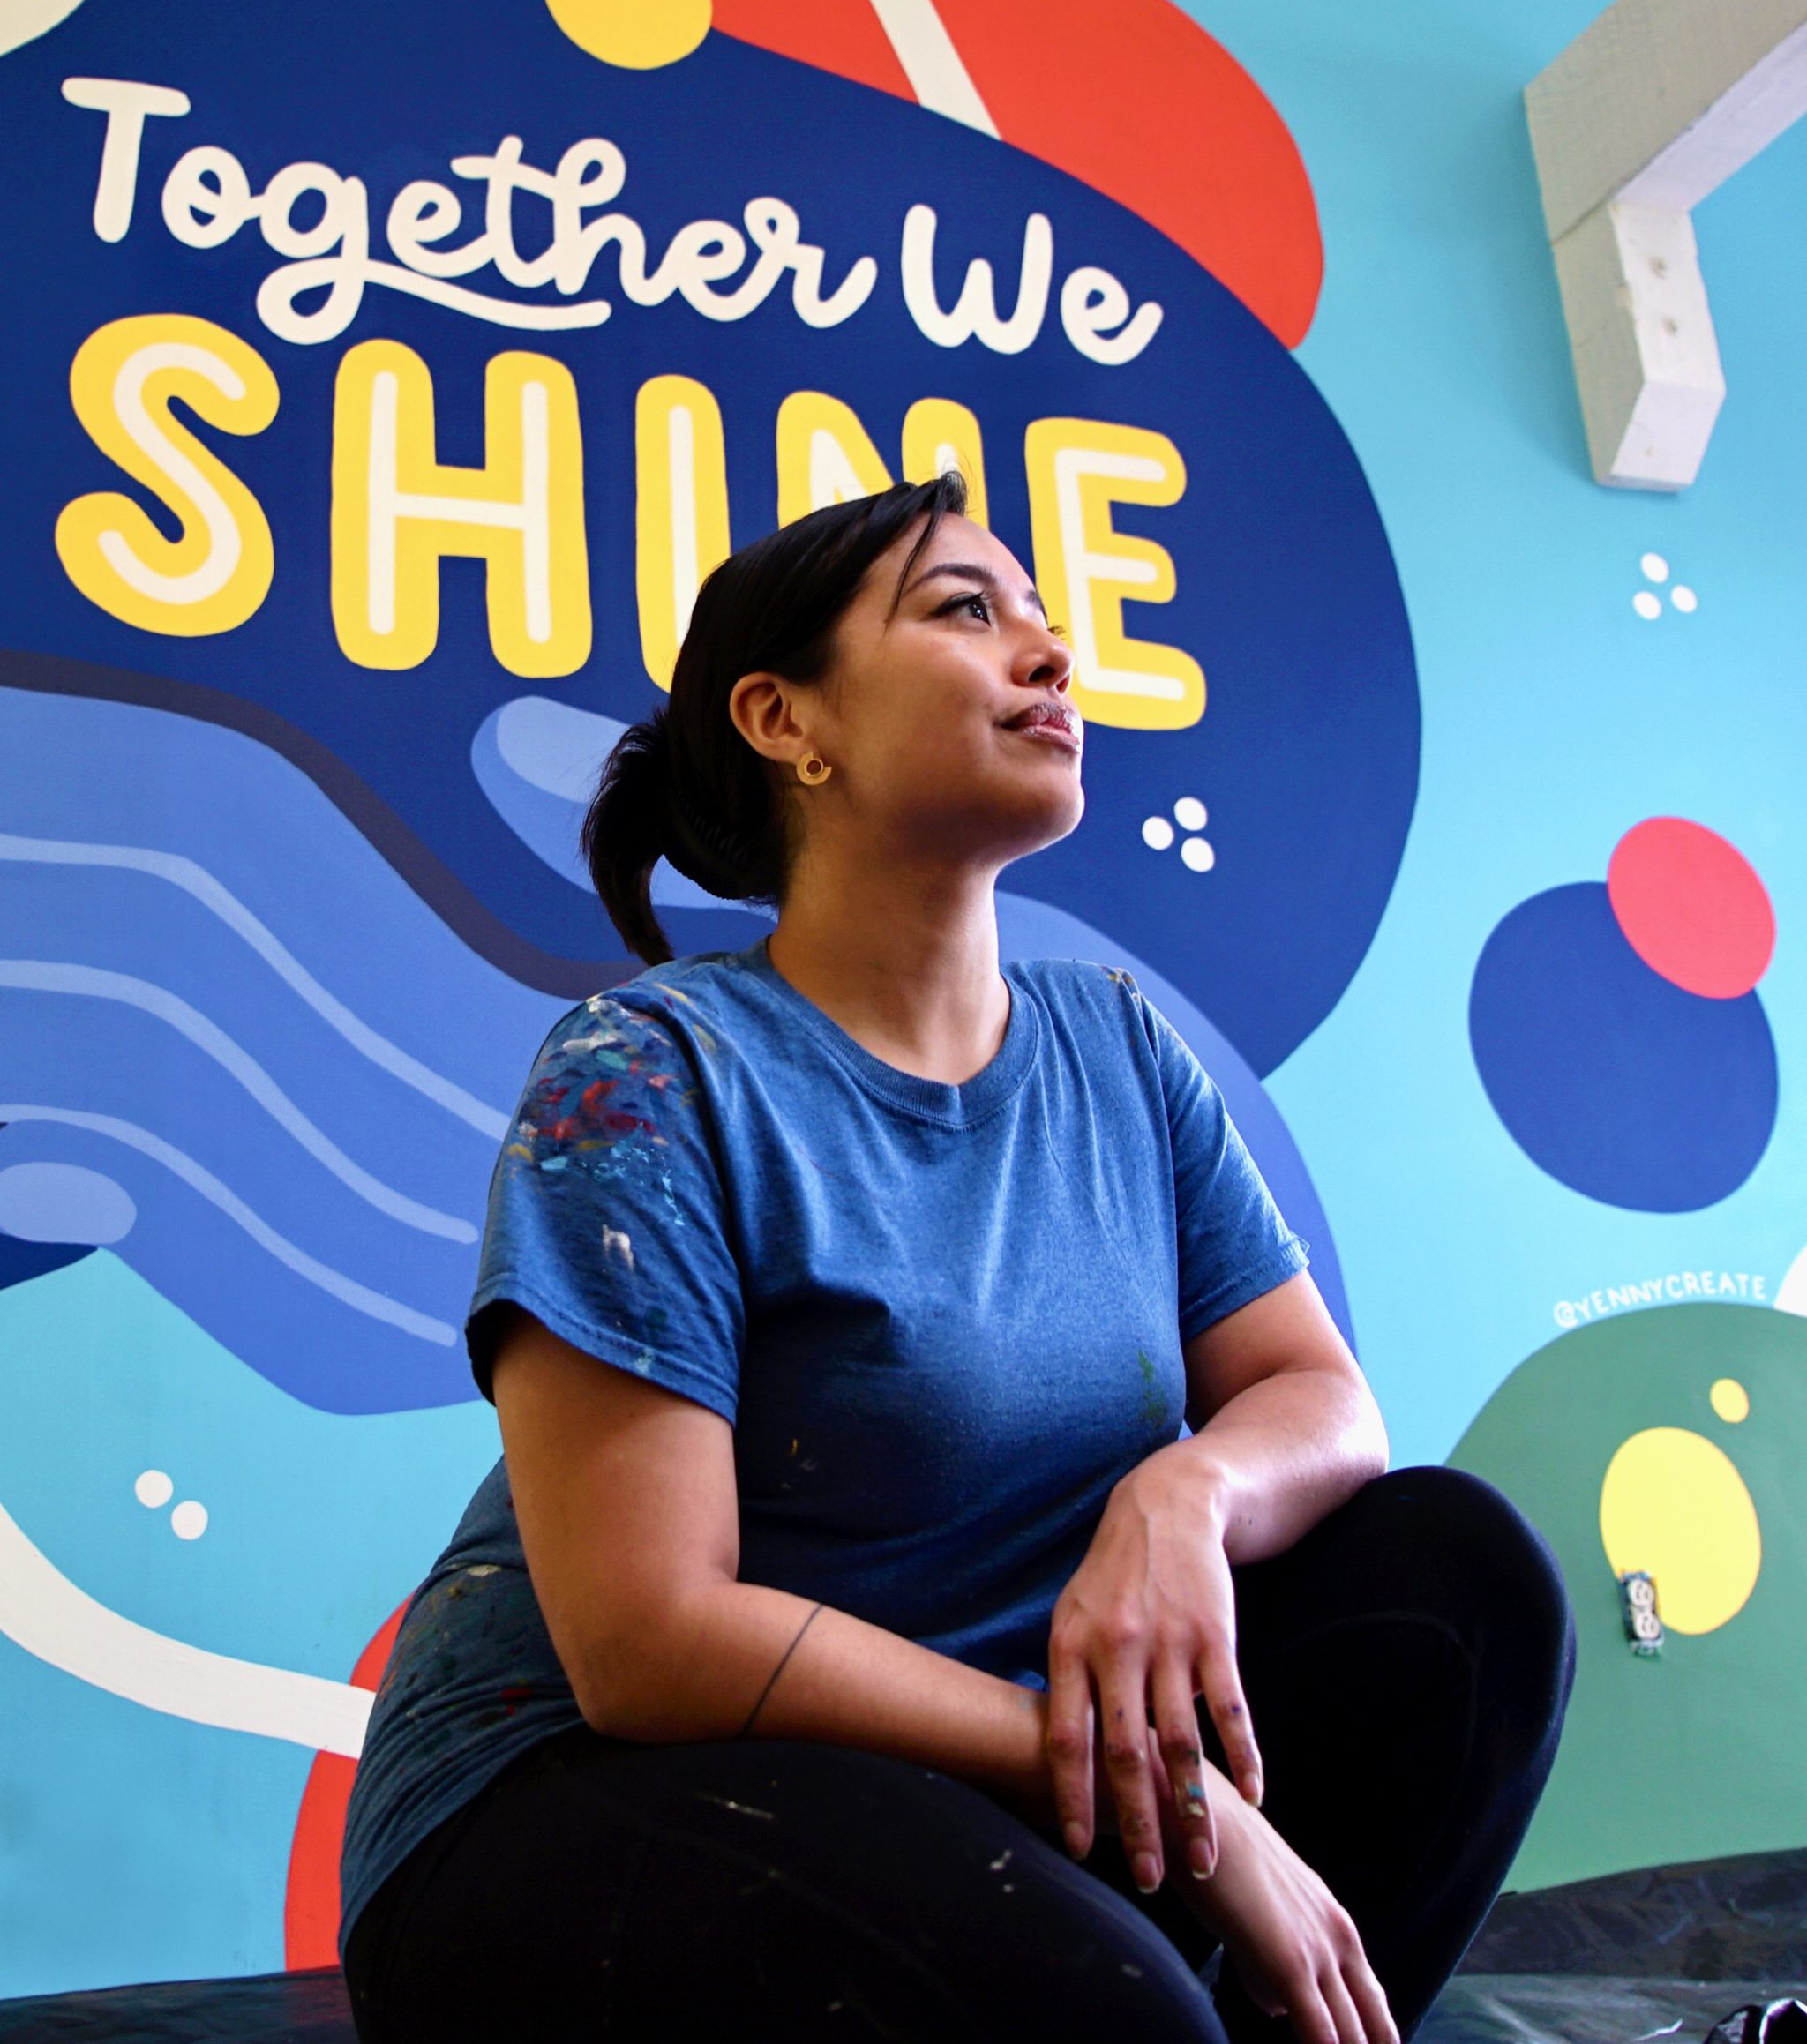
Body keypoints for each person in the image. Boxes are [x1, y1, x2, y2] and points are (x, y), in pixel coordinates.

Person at [338, 474, 1574, 2044]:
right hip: (575, 1793)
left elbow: (1324, 1404)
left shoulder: (1119, 1050)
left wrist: (1181, 1496)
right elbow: (650, 1645)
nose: (1051, 655)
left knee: (1460, 1578)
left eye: (1042, 617)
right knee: (1109, 2012)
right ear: (787, 721)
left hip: (974, 1782)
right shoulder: (645, 1071)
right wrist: (1182, 1801)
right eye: (966, 610)